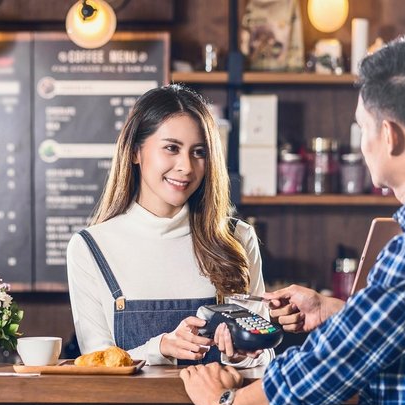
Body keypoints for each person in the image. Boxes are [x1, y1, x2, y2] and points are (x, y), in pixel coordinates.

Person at [181, 33, 405, 405]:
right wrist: (337, 310)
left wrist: (225, 400)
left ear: (390, 136)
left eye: (363, 128)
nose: (362, 144)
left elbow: (327, 369)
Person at [66, 84, 273, 367]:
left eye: (198, 152)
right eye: (171, 148)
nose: (186, 167)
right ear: (135, 152)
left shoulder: (236, 237)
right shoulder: (91, 247)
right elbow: (97, 363)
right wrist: (160, 347)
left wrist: (238, 355)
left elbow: (264, 357)